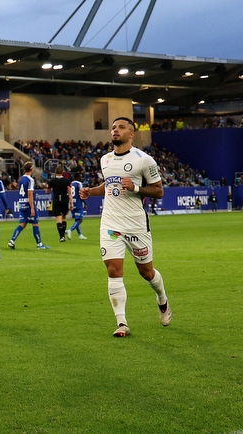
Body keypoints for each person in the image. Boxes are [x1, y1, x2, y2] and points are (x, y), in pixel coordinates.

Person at [80, 117, 171, 337]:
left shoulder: (144, 160)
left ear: (132, 134)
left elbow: (159, 191)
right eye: (113, 128)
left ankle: (162, 299)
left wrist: (136, 187)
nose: (115, 131)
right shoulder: (105, 159)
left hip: (136, 225)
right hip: (111, 223)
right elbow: (109, 184)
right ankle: (122, 323)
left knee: (146, 272)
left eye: (121, 128)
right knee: (113, 270)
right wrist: (92, 191)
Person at [7, 162, 49, 250]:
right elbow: (30, 194)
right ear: (31, 168)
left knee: (23, 223)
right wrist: (32, 208)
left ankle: (12, 240)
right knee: (35, 223)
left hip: (21, 203)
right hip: (28, 204)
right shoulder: (30, 180)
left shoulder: (21, 179)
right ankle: (39, 244)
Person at [48, 166, 71, 242]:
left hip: (56, 200)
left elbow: (47, 191)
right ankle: (63, 235)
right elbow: (70, 192)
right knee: (64, 217)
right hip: (65, 200)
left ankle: (61, 237)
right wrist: (72, 203)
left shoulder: (52, 181)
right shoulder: (66, 180)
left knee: (58, 218)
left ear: (55, 172)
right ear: (62, 172)